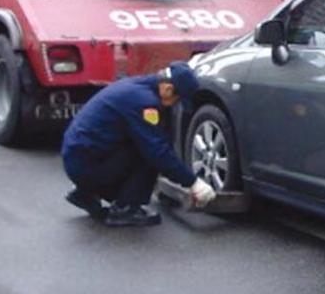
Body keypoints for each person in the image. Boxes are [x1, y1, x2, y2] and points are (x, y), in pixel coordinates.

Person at [61, 61, 217, 227]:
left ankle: (85, 193)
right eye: (177, 99)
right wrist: (193, 183)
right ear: (168, 89)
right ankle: (125, 209)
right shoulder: (144, 103)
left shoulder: (138, 86)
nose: (175, 104)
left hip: (79, 158)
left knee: (146, 144)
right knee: (148, 153)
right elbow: (157, 151)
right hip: (88, 165)